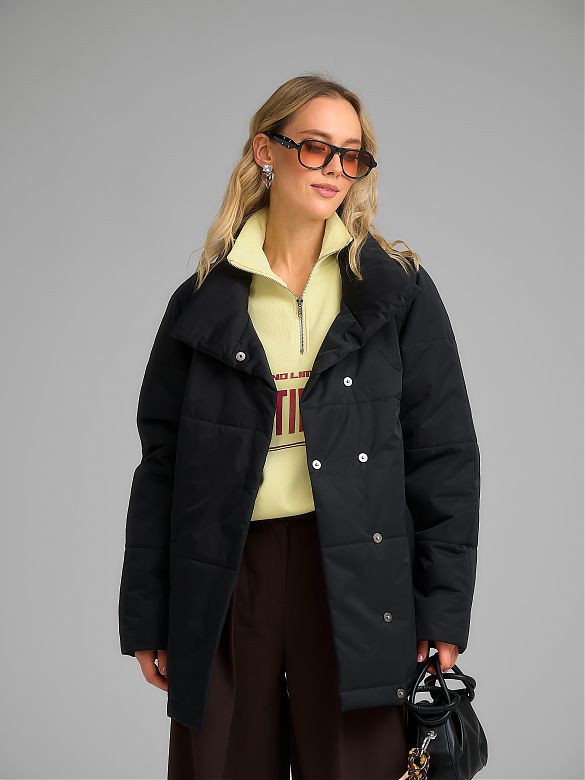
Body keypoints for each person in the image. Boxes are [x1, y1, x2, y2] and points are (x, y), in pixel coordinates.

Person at [118, 73, 481, 780]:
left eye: (351, 154)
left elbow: (443, 455)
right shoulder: (202, 302)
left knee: (356, 765)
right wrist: (148, 613)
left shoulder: (395, 291)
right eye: (316, 147)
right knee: (219, 763)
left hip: (356, 568)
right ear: (266, 151)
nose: (335, 169)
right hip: (226, 572)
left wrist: (442, 608)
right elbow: (162, 463)